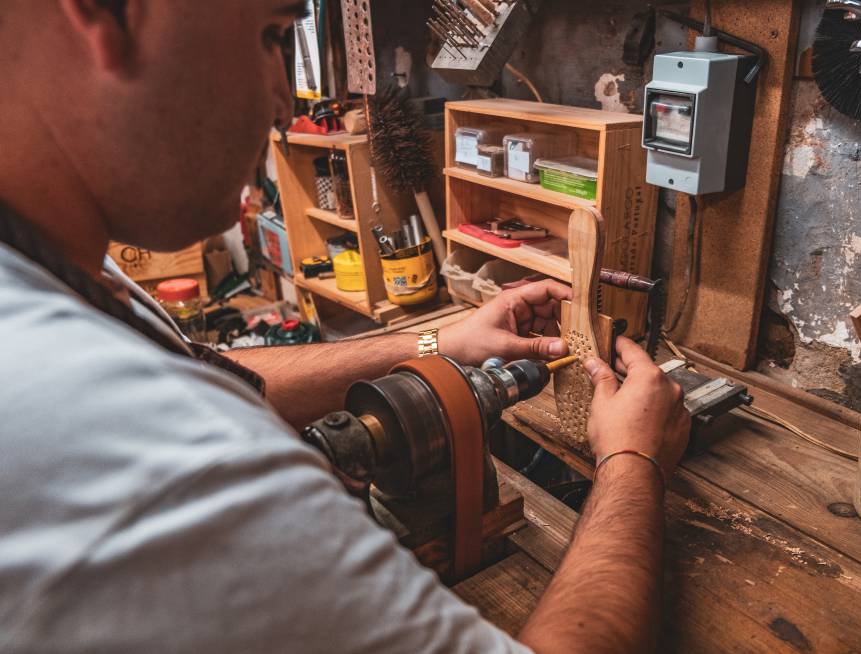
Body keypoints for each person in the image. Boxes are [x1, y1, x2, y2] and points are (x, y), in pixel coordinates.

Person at [0, 1, 691, 652]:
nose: (281, 104)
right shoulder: (169, 469)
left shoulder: (53, 269)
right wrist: (635, 459)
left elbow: (201, 368)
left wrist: (440, 340)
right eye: (272, 34)